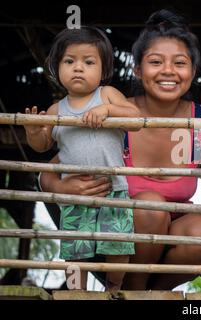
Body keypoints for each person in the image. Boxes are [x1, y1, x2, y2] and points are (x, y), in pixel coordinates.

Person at [39, 9, 201, 291]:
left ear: (192, 71)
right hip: (114, 237)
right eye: (155, 62)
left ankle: (148, 293)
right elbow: (53, 168)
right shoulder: (114, 114)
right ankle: (133, 292)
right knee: (151, 207)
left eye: (179, 63)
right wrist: (59, 186)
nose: (168, 71)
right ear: (138, 69)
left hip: (172, 242)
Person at [24, 26, 140, 293]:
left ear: (103, 70)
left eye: (88, 62)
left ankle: (114, 288)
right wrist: (33, 132)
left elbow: (136, 121)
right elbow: (43, 146)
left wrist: (109, 110)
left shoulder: (107, 95)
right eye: (69, 61)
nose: (78, 68)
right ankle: (78, 293)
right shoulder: (56, 109)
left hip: (114, 189)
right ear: (56, 68)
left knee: (118, 245)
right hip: (75, 192)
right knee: (76, 250)